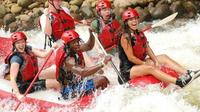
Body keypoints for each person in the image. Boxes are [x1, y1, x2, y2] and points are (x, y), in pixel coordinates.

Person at [118, 8, 199, 87]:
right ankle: (179, 82)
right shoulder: (125, 37)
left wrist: (155, 61)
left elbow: (147, 48)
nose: (134, 21)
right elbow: (131, 58)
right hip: (128, 70)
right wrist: (144, 64)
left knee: (163, 57)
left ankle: (188, 73)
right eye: (131, 19)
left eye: (135, 18)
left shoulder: (139, 33)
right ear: (126, 22)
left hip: (138, 63)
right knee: (150, 68)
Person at [55, 29, 111, 99]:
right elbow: (83, 72)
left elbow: (89, 46)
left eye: (77, 41)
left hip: (76, 84)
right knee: (102, 80)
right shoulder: (68, 60)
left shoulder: (74, 48)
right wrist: (103, 63)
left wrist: (91, 35)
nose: (77, 44)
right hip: (68, 91)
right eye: (74, 43)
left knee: (100, 76)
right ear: (67, 45)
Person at [5, 32, 60, 100]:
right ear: (14, 45)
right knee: (56, 83)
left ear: (25, 42)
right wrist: (18, 95)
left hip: (32, 78)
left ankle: (67, 87)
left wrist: (52, 48)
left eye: (22, 42)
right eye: (18, 43)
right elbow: (12, 79)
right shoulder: (16, 59)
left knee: (56, 73)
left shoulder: (28, 49)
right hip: (24, 86)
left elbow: (43, 55)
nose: (21, 45)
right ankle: (64, 98)